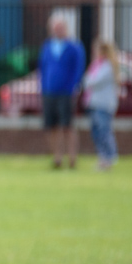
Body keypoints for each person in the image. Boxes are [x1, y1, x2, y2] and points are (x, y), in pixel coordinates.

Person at [38, 13, 86, 169]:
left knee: (67, 126)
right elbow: (42, 68)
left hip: (66, 92)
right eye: (54, 28)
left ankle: (72, 158)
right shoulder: (47, 46)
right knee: (51, 126)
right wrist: (43, 86)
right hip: (49, 91)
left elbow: (78, 69)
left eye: (60, 27)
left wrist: (73, 87)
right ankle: (57, 157)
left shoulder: (74, 47)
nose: (57, 30)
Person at [82, 37, 120, 171]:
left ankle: (109, 157)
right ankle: (103, 157)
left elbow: (92, 82)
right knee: (96, 132)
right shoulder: (97, 65)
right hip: (94, 103)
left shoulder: (107, 66)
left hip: (103, 105)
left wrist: (87, 80)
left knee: (104, 131)